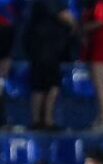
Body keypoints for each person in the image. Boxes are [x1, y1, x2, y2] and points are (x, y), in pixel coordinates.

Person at [23, 0, 76, 130]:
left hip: (41, 49)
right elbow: (65, 16)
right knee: (51, 85)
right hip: (46, 50)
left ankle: (39, 120)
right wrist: (76, 25)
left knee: (41, 85)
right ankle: (47, 120)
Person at [82, 0, 103, 132]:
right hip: (94, 49)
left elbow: (101, 22)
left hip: (102, 50)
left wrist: (82, 27)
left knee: (101, 86)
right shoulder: (93, 5)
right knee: (98, 87)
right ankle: (100, 118)